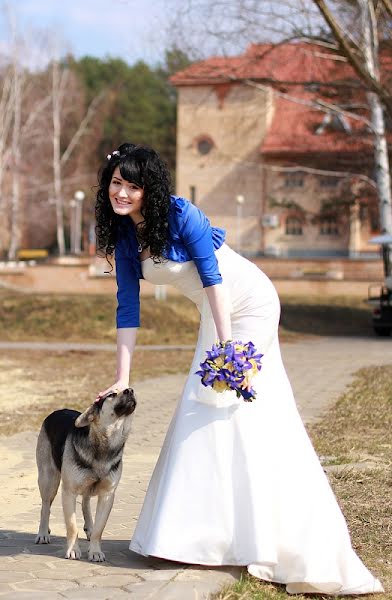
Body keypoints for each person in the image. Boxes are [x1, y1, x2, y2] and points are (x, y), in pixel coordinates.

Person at [95, 142, 383, 596]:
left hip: (245, 303)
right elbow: (127, 308)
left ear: (149, 188)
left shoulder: (181, 213)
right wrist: (123, 376)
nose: (123, 193)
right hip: (217, 314)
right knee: (201, 409)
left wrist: (227, 349)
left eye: (133, 185)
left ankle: (264, 535)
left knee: (238, 410)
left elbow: (213, 276)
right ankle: (197, 536)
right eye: (117, 183)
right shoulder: (125, 238)